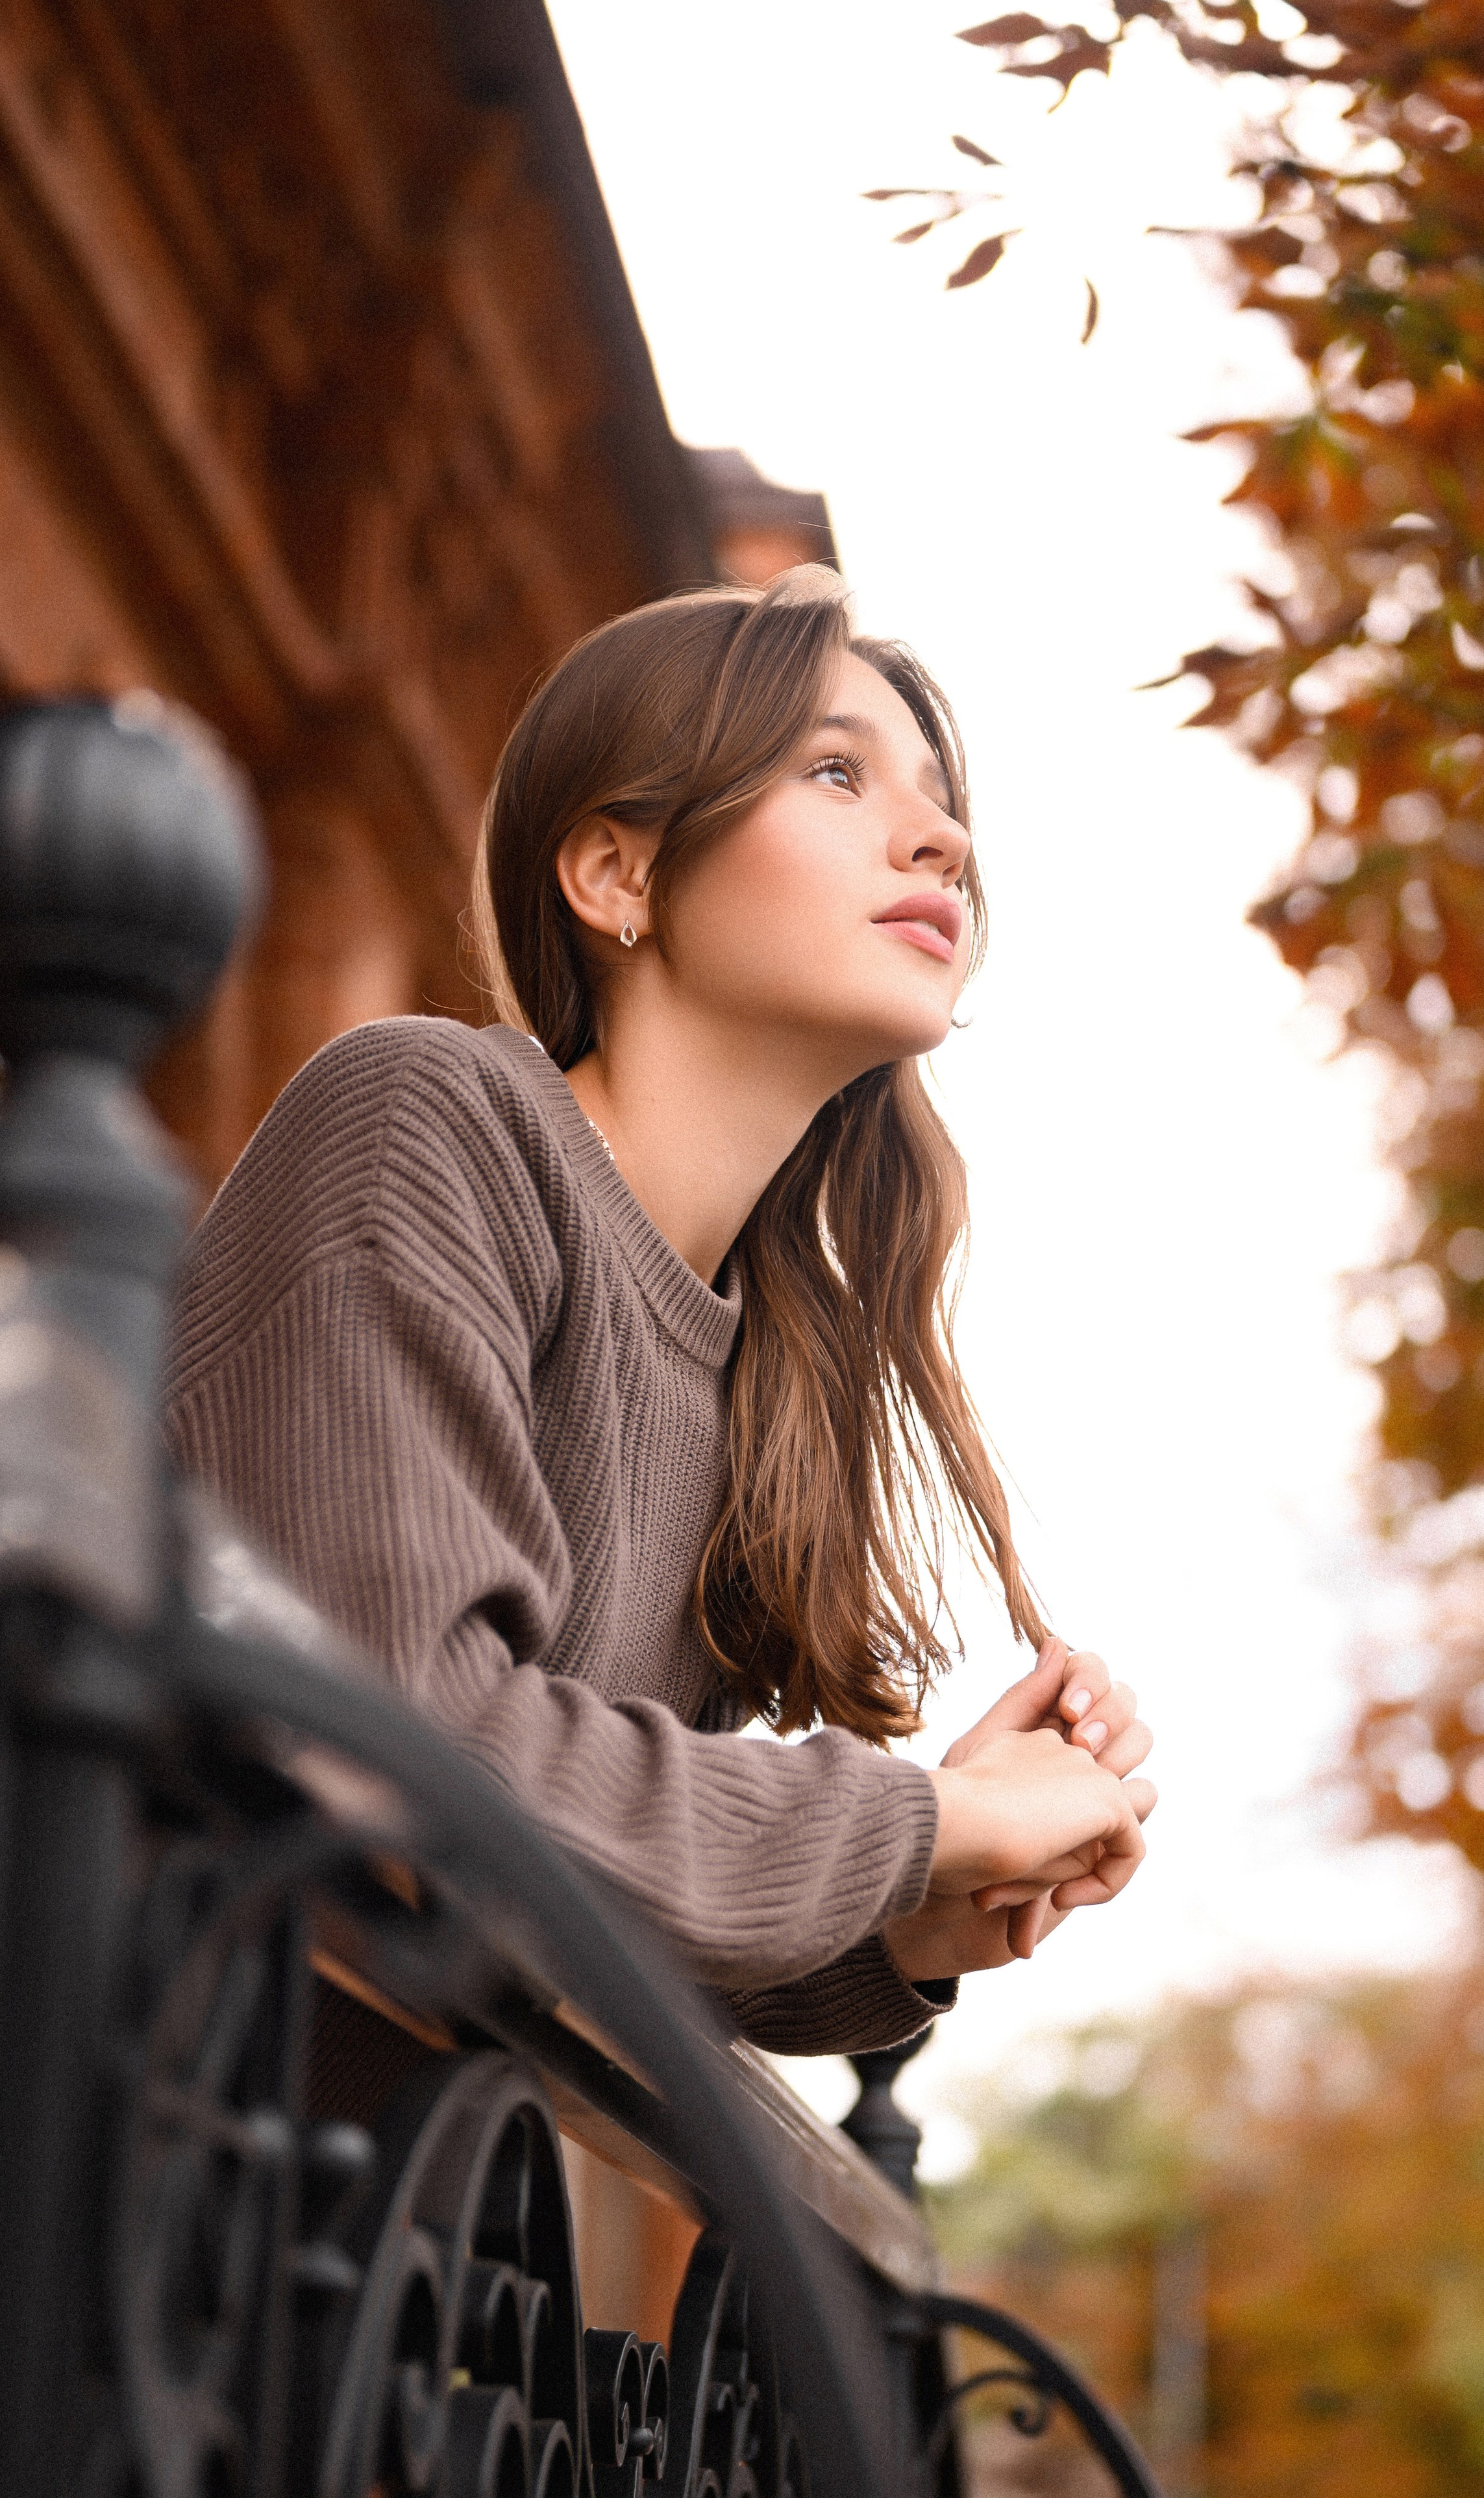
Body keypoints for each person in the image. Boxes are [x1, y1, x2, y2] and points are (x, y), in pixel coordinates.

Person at [166, 568, 1155, 2055]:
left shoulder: (752, 1365)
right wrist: (922, 1817)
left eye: (942, 801)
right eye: (835, 770)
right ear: (617, 876)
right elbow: (402, 1750)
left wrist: (911, 1911)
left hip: (333, 2228)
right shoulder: (429, 1120)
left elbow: (567, 1868)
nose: (941, 836)